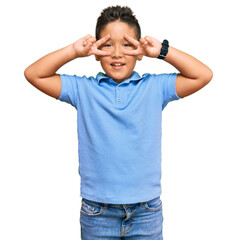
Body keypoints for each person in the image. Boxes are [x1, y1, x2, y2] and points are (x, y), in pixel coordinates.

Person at [24, 5, 213, 240]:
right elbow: (34, 74)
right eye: (107, 45)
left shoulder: (154, 87)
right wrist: (73, 51)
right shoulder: (84, 89)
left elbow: (203, 75)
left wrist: (162, 51)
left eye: (126, 45)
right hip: (97, 212)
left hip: (146, 212)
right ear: (95, 51)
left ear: (140, 51)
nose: (116, 53)